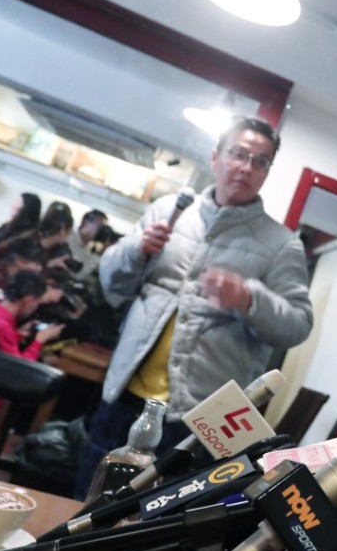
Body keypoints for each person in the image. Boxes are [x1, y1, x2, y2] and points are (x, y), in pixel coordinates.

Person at [74, 116, 314, 498]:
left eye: (260, 161)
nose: (247, 167)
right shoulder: (170, 209)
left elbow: (298, 326)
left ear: (267, 171)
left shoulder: (281, 244)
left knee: (150, 523)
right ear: (217, 157)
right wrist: (136, 251)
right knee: (88, 498)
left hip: (198, 416)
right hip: (125, 393)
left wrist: (250, 299)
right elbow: (111, 284)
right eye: (239, 154)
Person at [0, 269, 65, 359]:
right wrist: (39, 341)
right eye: (37, 303)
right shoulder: (1, 327)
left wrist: (18, 335)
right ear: (29, 300)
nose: (35, 307)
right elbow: (18, 369)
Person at [66, 209, 109, 280]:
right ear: (86, 222)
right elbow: (76, 275)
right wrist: (98, 255)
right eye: (100, 227)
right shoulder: (67, 238)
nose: (101, 232)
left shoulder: (87, 250)